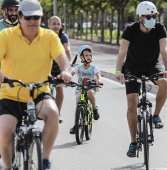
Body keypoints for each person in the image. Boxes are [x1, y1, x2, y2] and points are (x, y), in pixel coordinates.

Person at [0, 0, 72, 170]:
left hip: (39, 92)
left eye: (37, 17)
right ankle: (8, 166)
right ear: (19, 16)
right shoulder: (5, 36)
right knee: (4, 131)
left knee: (53, 114)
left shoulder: (49, 37)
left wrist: (66, 71)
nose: (33, 20)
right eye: (28, 17)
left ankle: (44, 160)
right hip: (10, 94)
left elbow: (62, 59)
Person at [115, 1, 167, 158]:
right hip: (133, 67)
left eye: (154, 16)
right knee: (132, 104)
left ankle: (156, 115)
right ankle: (133, 142)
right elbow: (122, 52)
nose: (151, 18)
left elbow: (164, 50)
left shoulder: (159, 28)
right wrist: (119, 71)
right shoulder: (130, 30)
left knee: (165, 83)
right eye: (148, 16)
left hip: (153, 65)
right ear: (140, 17)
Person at [70, 45, 102, 134]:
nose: (89, 57)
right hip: (81, 88)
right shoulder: (78, 68)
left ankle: (95, 109)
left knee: (90, 93)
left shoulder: (94, 68)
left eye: (90, 55)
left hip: (91, 87)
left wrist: (98, 80)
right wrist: (67, 78)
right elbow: (71, 73)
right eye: (86, 55)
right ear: (81, 57)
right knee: (79, 101)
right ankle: (76, 124)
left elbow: (98, 75)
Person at [48, 16, 72, 123]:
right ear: (49, 24)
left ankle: (57, 113)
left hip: (58, 67)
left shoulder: (63, 36)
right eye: (54, 23)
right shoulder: (44, 35)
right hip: (46, 66)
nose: (56, 26)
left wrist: (68, 65)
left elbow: (67, 50)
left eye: (58, 24)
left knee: (59, 89)